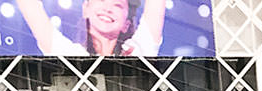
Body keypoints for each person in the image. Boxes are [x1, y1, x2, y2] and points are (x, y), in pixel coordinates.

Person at [11, 0, 167, 55]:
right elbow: (30, 6)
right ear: (85, 8)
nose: (108, 9)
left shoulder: (139, 50)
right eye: (101, 0)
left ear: (126, 24)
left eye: (118, 5)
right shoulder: (69, 54)